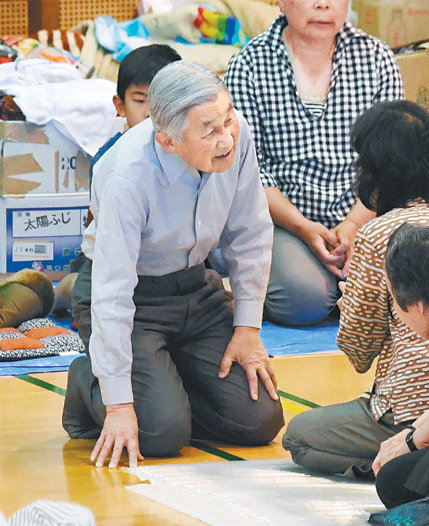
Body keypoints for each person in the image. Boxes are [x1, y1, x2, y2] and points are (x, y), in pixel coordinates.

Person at [62, 60, 284, 468]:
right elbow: (112, 293)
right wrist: (118, 406)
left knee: (259, 421)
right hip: (132, 299)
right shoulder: (126, 174)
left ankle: (164, 387)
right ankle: (86, 380)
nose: (226, 139)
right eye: (210, 130)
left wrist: (248, 328)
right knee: (159, 433)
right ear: (167, 141)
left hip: (197, 290)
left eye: (228, 119)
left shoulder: (239, 135)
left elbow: (251, 232)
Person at [283, 100, 429, 478]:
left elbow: (358, 350)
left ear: (377, 171)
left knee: (300, 437)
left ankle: (410, 458)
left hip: (412, 410)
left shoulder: (377, 234)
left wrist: (351, 298)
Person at [225, 0, 404, 326]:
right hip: (284, 220)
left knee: (412, 282)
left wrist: (352, 226)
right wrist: (303, 228)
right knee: (304, 300)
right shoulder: (248, 66)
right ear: (280, 2)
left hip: (365, 211)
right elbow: (250, 172)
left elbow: (390, 162)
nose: (323, 5)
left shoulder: (377, 59)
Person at [71, 43, 181, 341]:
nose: (153, 113)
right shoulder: (109, 159)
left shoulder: (189, 154)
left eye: (165, 101)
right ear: (120, 105)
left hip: (165, 267)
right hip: (112, 263)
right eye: (141, 100)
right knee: (74, 290)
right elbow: (96, 225)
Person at [373, 224, 429, 509]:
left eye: (394, 301)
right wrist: (414, 435)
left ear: (417, 304)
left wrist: (415, 443)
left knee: (393, 479)